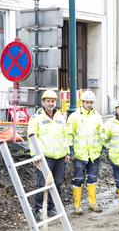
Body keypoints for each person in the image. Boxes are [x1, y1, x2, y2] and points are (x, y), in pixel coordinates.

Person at [26, 90, 68, 220]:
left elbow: (65, 136)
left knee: (57, 183)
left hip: (60, 156)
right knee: (43, 183)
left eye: (53, 101)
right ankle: (38, 208)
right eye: (48, 101)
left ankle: (52, 207)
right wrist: (35, 155)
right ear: (43, 102)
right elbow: (31, 137)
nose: (51, 103)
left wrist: (66, 152)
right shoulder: (36, 119)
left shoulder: (60, 117)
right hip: (45, 156)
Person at [67, 90, 102, 215]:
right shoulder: (74, 117)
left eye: (91, 102)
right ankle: (77, 205)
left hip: (94, 154)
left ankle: (93, 203)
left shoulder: (97, 116)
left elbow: (100, 134)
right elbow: (69, 134)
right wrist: (70, 150)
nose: (89, 104)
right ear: (82, 102)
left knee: (92, 179)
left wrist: (101, 148)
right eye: (87, 102)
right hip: (80, 154)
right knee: (78, 179)